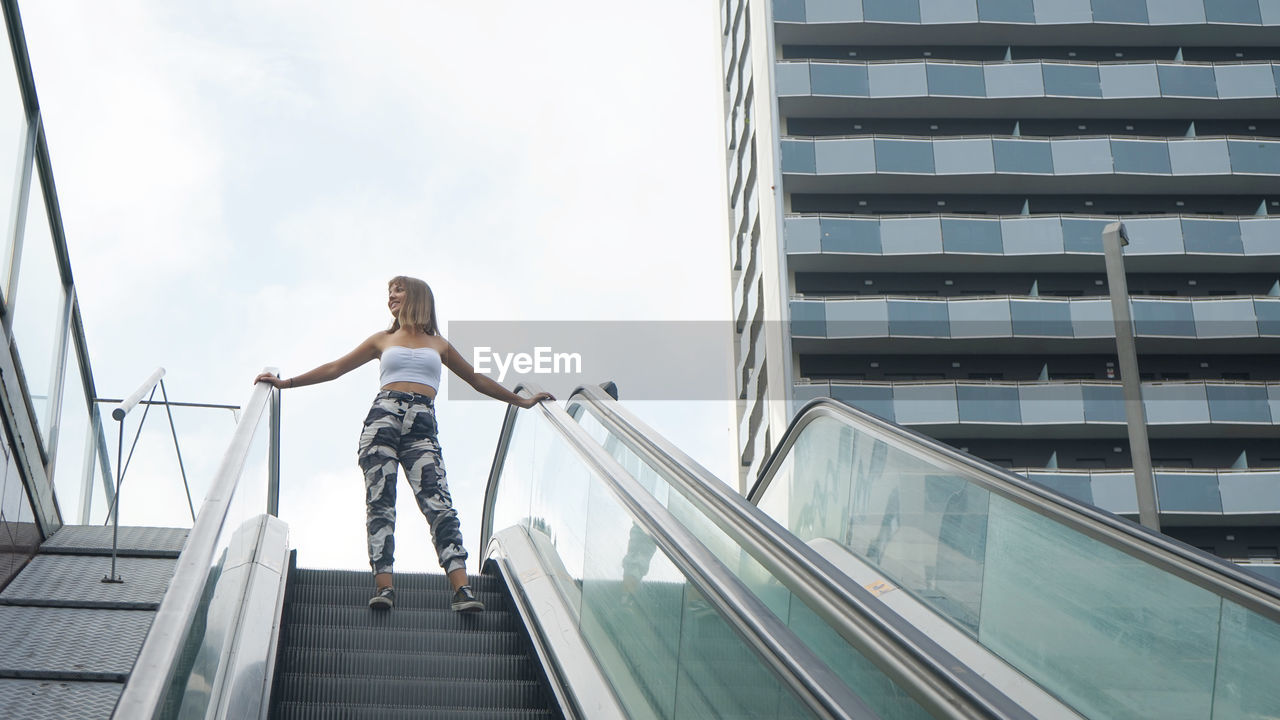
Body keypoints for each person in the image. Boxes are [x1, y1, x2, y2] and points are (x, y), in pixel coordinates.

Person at [254, 275, 553, 612]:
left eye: (398, 290)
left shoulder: (438, 344)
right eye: (389, 292)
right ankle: (385, 587)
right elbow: (336, 367)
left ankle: (462, 590)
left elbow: (476, 379)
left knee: (439, 503)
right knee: (381, 502)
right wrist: (286, 383)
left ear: (417, 297)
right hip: (382, 420)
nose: (391, 297)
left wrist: (521, 402)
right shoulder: (382, 339)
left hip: (422, 425)